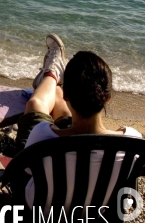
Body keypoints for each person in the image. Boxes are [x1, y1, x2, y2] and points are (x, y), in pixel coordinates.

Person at [10, 34, 142, 208]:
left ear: (67, 96)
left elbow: (25, 171)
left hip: (42, 218)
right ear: (107, 97)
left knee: (36, 104)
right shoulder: (132, 142)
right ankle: (52, 75)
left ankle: (52, 73)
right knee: (52, 100)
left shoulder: (42, 137)